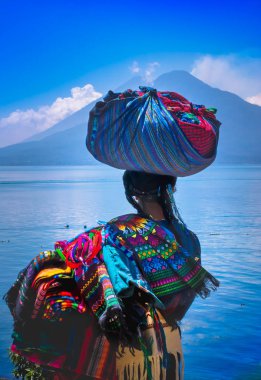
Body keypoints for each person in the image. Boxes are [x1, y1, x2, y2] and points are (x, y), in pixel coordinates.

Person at [5, 170, 219, 380]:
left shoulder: (116, 232)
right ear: (172, 187)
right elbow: (183, 300)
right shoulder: (190, 240)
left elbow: (83, 269)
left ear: (132, 191)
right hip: (168, 348)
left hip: (125, 353)